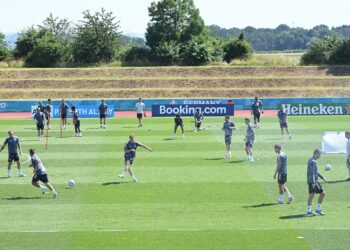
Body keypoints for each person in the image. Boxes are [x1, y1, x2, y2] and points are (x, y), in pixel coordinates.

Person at [307, 149, 327, 216]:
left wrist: (322, 177)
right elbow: (312, 173)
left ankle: (310, 210)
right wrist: (313, 182)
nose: (320, 156)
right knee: (322, 193)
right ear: (316, 153)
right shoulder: (313, 161)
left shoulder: (312, 160)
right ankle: (315, 210)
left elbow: (315, 171)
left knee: (312, 194)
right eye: (319, 154)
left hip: (312, 180)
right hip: (313, 181)